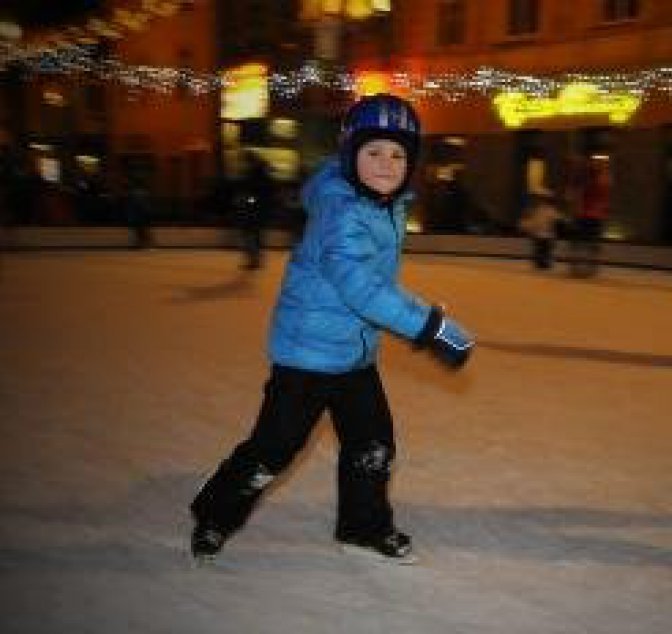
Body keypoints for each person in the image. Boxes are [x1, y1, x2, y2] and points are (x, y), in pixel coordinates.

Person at [189, 94, 475, 565]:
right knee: (275, 448)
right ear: (350, 155)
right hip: (307, 355)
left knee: (373, 442)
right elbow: (361, 289)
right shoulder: (342, 213)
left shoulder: (385, 204)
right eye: (374, 152)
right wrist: (430, 327)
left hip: (354, 353)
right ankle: (214, 514)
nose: (387, 163)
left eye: (398, 154)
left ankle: (362, 525)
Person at [518, 187, 564, 270]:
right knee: (542, 252)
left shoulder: (545, 210)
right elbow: (534, 222)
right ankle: (542, 263)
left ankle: (543, 263)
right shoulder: (540, 210)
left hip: (544, 236)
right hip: (542, 236)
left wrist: (526, 226)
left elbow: (557, 219)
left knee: (542, 251)